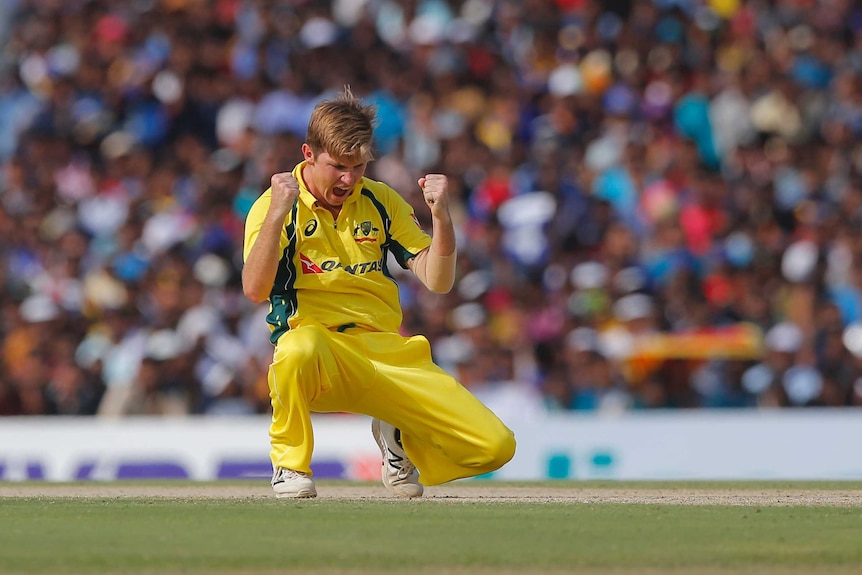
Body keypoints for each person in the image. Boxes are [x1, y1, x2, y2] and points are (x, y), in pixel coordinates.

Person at [241, 88, 516, 498]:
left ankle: (397, 438)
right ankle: (290, 467)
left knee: (495, 446)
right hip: (321, 357)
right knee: (297, 347)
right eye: (338, 166)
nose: (349, 179)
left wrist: (441, 216)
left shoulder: (380, 199)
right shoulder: (275, 205)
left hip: (386, 353)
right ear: (308, 154)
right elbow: (253, 289)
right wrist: (279, 212)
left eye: (359, 165)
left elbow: (438, 280)